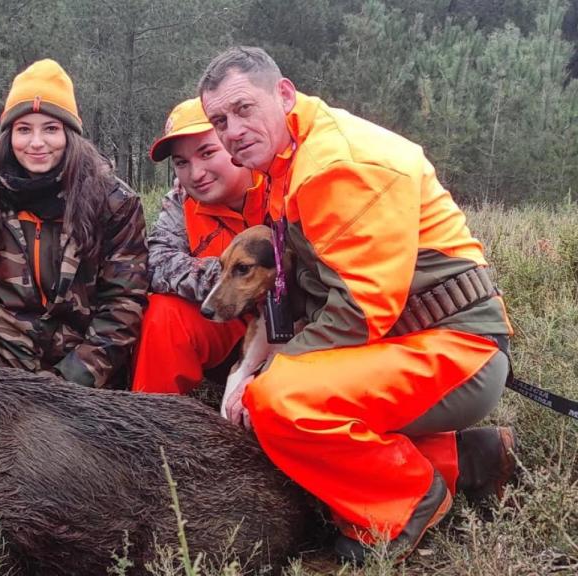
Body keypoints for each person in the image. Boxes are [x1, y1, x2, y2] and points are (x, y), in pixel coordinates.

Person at [198, 46, 516, 564]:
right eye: (219, 120)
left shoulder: (335, 162)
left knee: (283, 399)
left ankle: (405, 504)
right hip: (415, 340)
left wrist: (268, 371)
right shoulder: (288, 161)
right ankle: (465, 460)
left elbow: (361, 310)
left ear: (283, 95)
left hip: (456, 350)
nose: (232, 129)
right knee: (289, 391)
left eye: (244, 109)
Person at [0, 59, 148, 388]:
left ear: (70, 134)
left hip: (84, 380)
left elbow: (122, 306)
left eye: (50, 129)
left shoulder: (115, 205)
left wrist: (65, 385)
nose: (36, 142)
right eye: (24, 129)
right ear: (9, 136)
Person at [131, 97, 266, 395]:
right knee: (163, 313)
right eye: (182, 162)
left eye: (207, 153)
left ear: (232, 143)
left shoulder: (277, 184)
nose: (196, 173)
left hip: (295, 325)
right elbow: (156, 260)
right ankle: (154, 423)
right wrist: (233, 278)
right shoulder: (182, 199)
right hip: (222, 320)